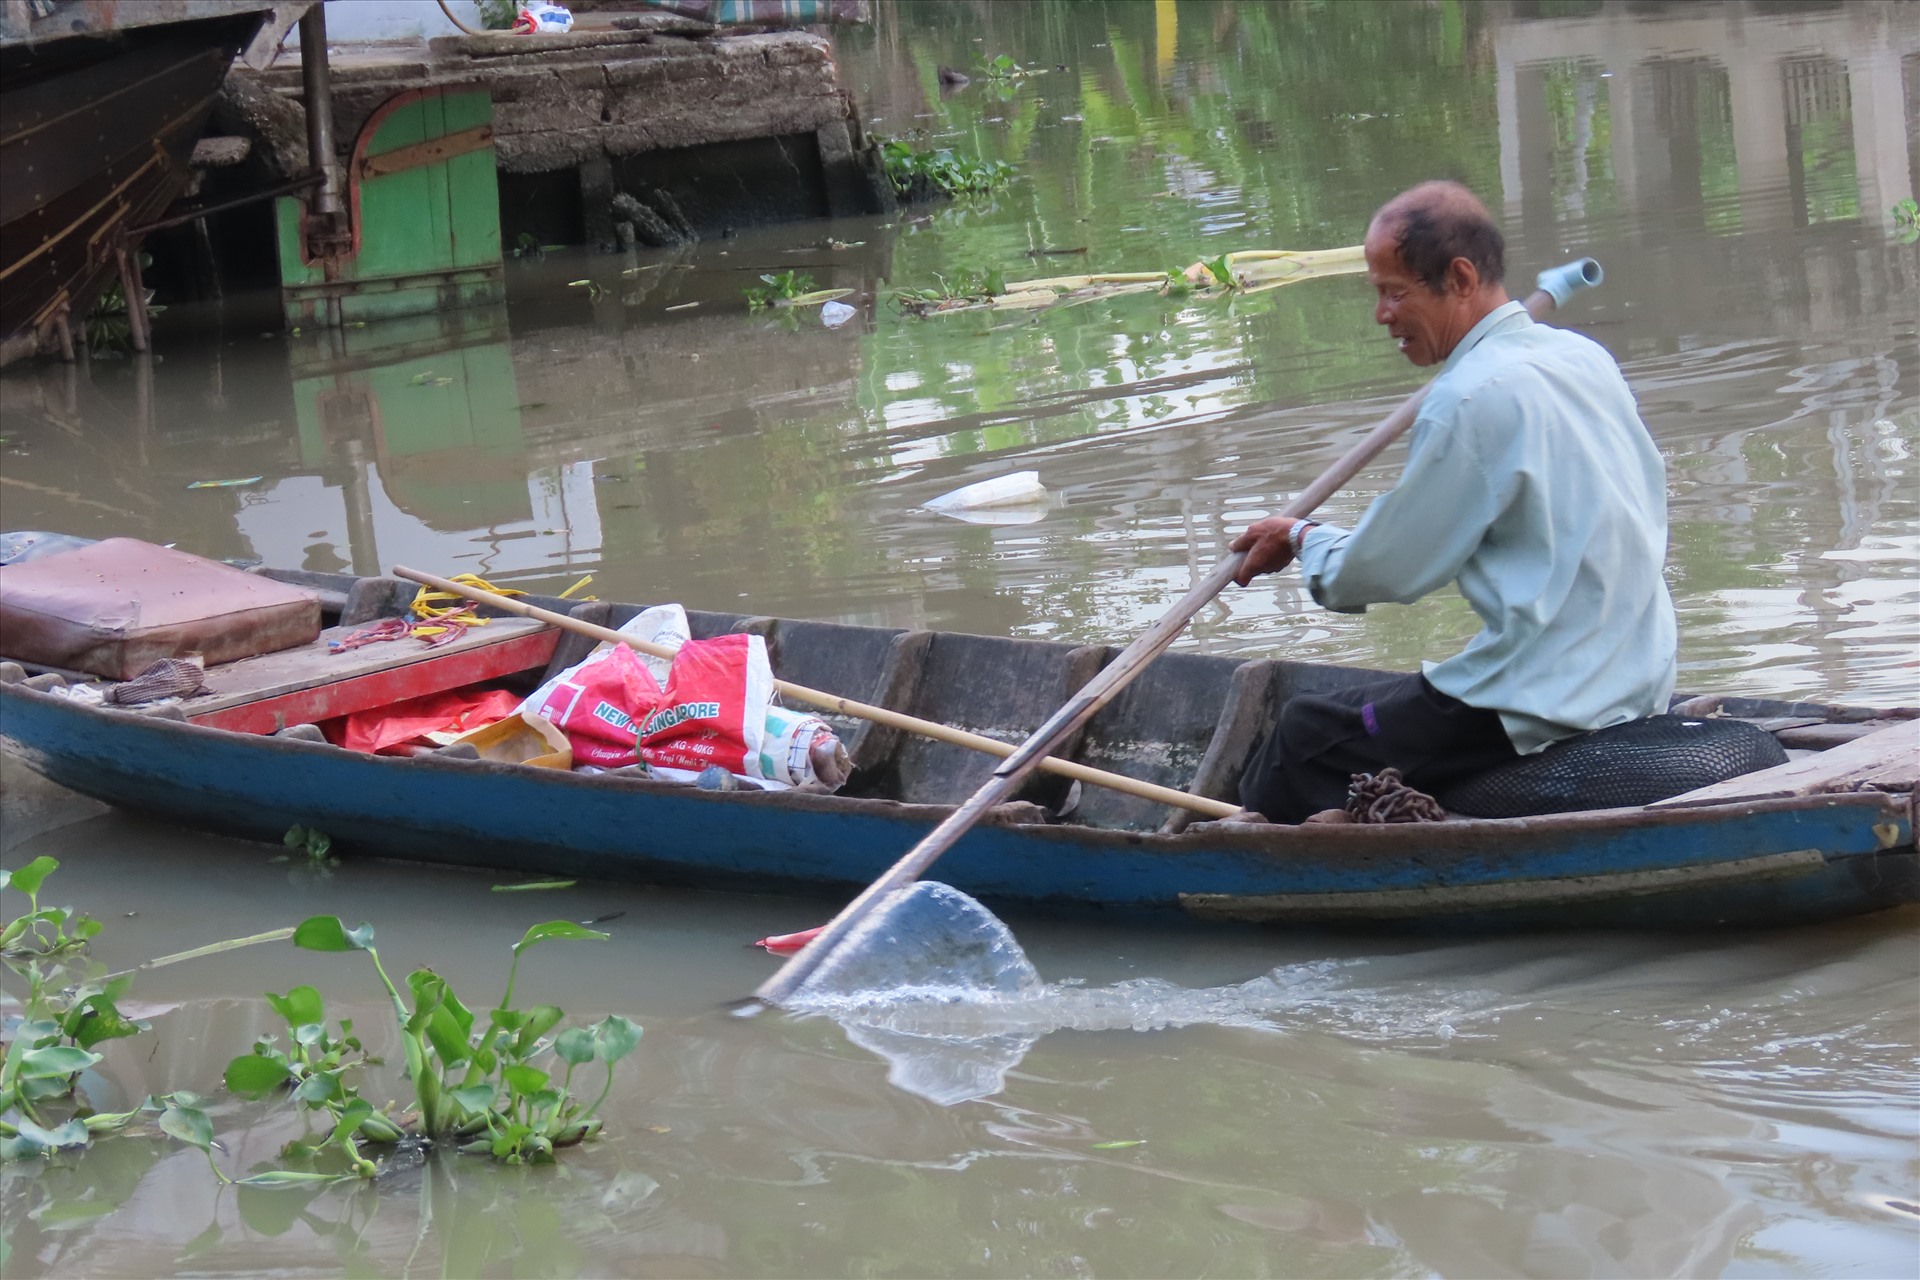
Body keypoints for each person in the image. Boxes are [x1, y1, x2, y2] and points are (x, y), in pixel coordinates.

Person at [1230, 181, 1676, 823]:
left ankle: (1258, 878)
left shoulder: (1468, 397)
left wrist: (1303, 541)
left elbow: (1392, 566)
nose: (1381, 315)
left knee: (1307, 732)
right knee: (1355, 715)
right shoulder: (1583, 356)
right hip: (1640, 670)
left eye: (1394, 291)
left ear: (1460, 278)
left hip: (1546, 694)